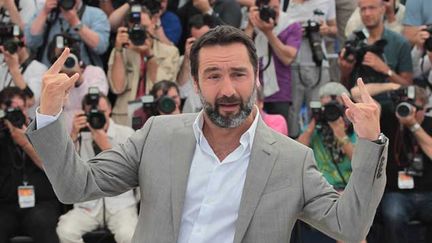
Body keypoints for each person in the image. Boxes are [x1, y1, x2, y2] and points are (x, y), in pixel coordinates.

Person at [28, 26, 388, 243]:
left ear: (257, 79)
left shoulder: (292, 160)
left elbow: (350, 225)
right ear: (196, 83)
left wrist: (371, 142)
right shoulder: (157, 134)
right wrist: (48, 114)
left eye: (239, 74)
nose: (228, 89)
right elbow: (76, 185)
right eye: (214, 76)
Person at [57, 93, 138, 243]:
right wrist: (73, 135)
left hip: (121, 204)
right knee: (66, 231)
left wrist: (105, 144)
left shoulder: (127, 133)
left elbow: (131, 171)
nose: (97, 115)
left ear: (109, 109)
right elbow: (67, 168)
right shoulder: (80, 135)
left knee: (128, 235)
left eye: (100, 111)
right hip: (87, 205)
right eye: (91, 112)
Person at [0, 87, 60, 243]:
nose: (16, 114)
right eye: (11, 110)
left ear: (27, 108)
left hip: (40, 204)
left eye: (20, 109)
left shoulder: (41, 130)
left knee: (42, 222)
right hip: (6, 205)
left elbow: (52, 167)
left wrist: (25, 143)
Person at [107, 6, 179, 126]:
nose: (141, 32)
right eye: (136, 28)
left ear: (153, 23)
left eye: (145, 28)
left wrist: (149, 55)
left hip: (157, 117)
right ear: (128, 28)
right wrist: (119, 50)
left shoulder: (170, 52)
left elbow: (162, 87)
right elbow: (117, 88)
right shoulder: (120, 51)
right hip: (124, 118)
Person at [378, 86, 432, 243]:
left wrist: (414, 125)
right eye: (405, 106)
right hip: (397, 193)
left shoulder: (429, 124)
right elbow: (356, 93)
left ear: (424, 108)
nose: (408, 111)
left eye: (414, 108)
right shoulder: (391, 120)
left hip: (428, 193)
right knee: (393, 215)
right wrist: (394, 85)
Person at [244, 0, 301, 133]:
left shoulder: (291, 25)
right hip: (253, 92)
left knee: (280, 137)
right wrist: (251, 26)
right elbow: (241, 53)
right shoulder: (252, 24)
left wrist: (268, 33)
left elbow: (288, 58)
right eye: (267, 8)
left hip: (280, 92)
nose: (271, 12)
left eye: (275, 8)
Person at [284, 0, 338, 138]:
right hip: (291, 63)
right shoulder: (283, 2)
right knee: (292, 111)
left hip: (319, 62)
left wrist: (326, 29)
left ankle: (316, 149)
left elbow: (335, 29)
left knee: (316, 110)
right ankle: (292, 147)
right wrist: (294, 31)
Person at [339, 0, 412, 91]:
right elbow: (344, 87)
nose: (367, 13)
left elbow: (408, 86)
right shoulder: (353, 41)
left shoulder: (399, 42)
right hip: (358, 100)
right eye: (363, 9)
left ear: (382, 9)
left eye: (372, 8)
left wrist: (386, 70)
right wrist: (345, 70)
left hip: (389, 100)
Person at [25, 0, 110, 68]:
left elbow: (101, 46)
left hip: (83, 78)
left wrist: (76, 23)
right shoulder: (46, 12)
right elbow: (30, 42)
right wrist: (44, 13)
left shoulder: (95, 14)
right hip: (50, 74)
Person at [0, 34, 47, 118]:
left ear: (23, 41)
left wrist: (14, 69)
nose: (10, 47)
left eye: (13, 43)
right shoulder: (3, 66)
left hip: (26, 124)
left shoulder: (39, 69)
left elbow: (30, 101)